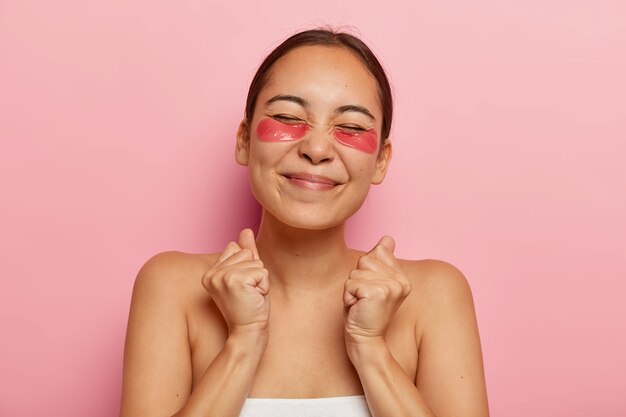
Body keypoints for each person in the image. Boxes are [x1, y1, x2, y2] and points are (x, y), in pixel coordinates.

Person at [120, 28, 490, 417]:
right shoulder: (173, 288)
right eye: (287, 117)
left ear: (381, 160)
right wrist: (242, 343)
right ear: (244, 141)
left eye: (351, 127)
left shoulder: (434, 296)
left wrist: (371, 348)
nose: (315, 149)